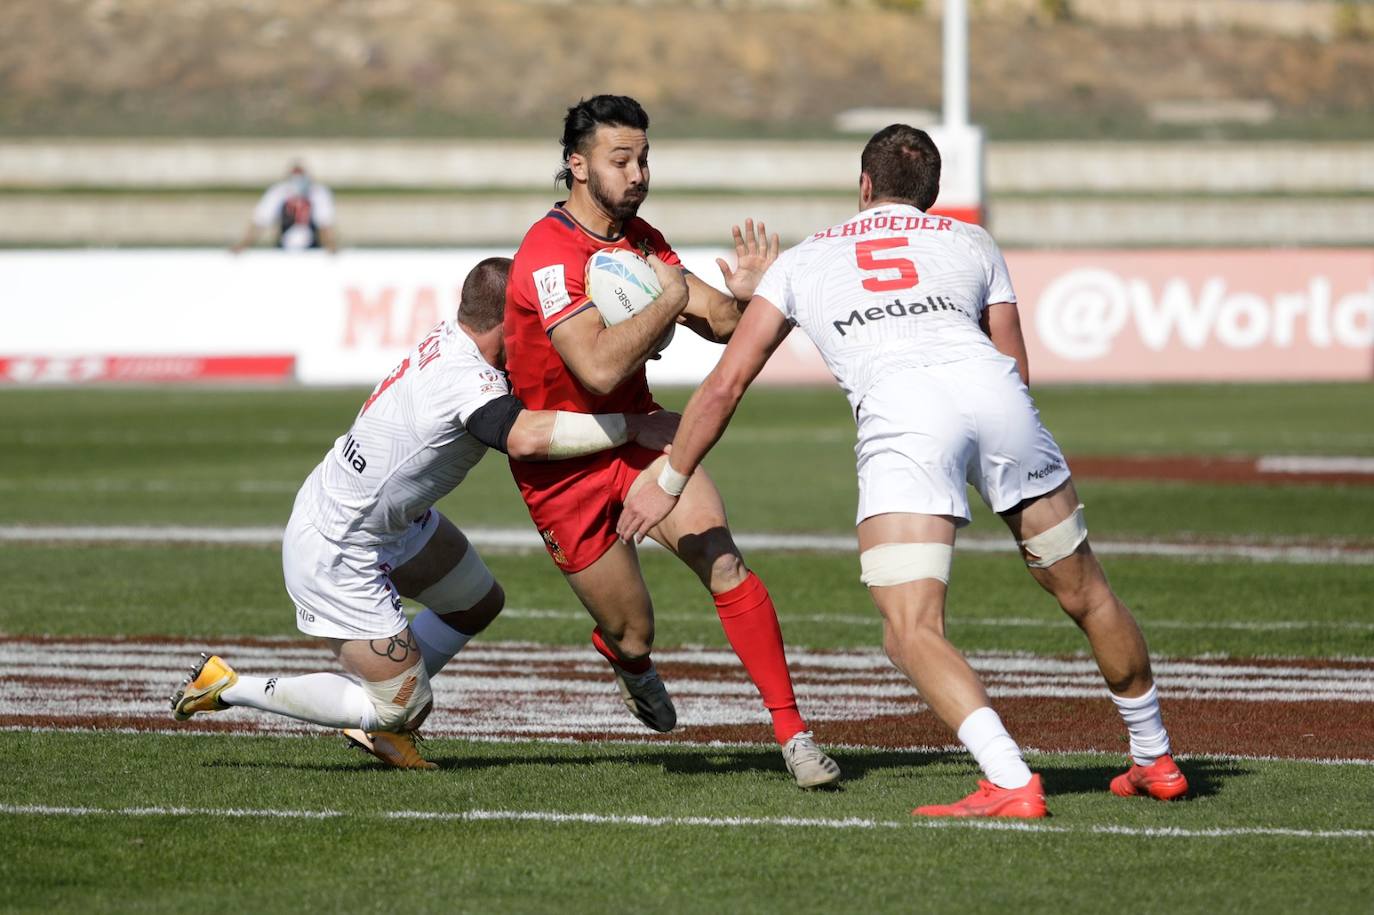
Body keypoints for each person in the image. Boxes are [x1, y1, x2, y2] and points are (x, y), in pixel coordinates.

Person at [618, 124, 1187, 817]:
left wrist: (670, 478)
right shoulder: (972, 242)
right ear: (933, 193)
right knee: (1088, 592)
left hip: (906, 417)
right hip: (997, 397)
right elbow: (1016, 365)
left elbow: (725, 384)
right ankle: (1154, 756)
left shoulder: (803, 261)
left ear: (863, 186)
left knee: (911, 626)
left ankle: (1010, 779)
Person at [170, 257, 679, 769]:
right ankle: (230, 687)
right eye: (529, 315)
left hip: (386, 522)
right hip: (339, 546)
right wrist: (633, 426)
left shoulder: (458, 338)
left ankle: (382, 720)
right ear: (508, 322)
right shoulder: (466, 378)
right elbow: (524, 438)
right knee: (404, 703)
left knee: (477, 603)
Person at [502, 95, 840, 788]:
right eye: (620, 160)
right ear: (577, 164)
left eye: (644, 158)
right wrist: (666, 297)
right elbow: (595, 365)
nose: (638, 173)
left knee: (721, 556)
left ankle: (794, 733)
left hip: (640, 440)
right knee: (634, 632)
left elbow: (717, 319)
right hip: (560, 464)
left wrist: (749, 296)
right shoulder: (547, 253)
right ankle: (628, 662)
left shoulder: (644, 240)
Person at [231, 161, 338, 253]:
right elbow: (260, 220)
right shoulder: (278, 192)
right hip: (283, 247)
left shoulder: (318, 193)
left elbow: (325, 224)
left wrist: (330, 245)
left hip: (312, 248)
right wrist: (244, 244)